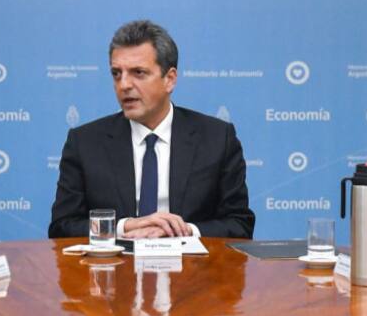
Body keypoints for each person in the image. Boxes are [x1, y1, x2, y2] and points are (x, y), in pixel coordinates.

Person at [49, 20, 255, 239]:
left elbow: (239, 224)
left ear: (170, 79)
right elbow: (62, 227)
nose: (124, 85)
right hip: (117, 260)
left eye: (138, 73)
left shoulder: (217, 138)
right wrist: (124, 227)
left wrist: (184, 231)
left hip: (190, 260)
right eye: (117, 73)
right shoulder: (85, 143)